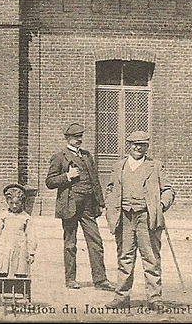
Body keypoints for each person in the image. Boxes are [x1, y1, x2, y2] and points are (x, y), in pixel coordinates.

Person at [104, 131, 175, 310]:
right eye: (135, 144)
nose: (138, 147)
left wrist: (160, 205)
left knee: (151, 258)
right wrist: (110, 207)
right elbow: (111, 189)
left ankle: (154, 299)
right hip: (125, 218)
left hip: (146, 218)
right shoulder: (119, 166)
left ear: (147, 147)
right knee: (125, 258)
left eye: (142, 144)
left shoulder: (155, 166)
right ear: (129, 145)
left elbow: (168, 190)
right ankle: (122, 297)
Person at [44, 123, 115, 291]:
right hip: (70, 204)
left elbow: (95, 179)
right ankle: (70, 279)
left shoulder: (87, 156)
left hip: (88, 205)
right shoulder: (59, 157)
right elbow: (49, 182)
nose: (79, 140)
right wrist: (67, 176)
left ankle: (100, 280)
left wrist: (101, 202)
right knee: (70, 243)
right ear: (68, 138)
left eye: (80, 137)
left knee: (96, 241)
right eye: (76, 137)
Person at [0, 183, 37, 309]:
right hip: (4, 249)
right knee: (1, 273)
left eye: (18, 204)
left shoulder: (26, 218)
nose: (14, 206)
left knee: (22, 273)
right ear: (7, 202)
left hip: (20, 249)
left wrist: (31, 253)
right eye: (11, 204)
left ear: (22, 202)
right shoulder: (3, 216)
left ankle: (26, 297)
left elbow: (31, 236)